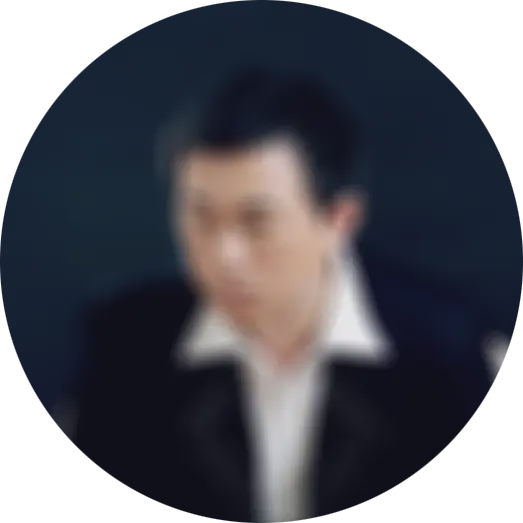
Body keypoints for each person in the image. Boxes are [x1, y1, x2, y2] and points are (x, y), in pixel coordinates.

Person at [53, 65, 508, 522]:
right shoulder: (123, 346)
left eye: (257, 222)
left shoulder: (452, 352)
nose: (224, 256)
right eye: (200, 217)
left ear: (339, 219)